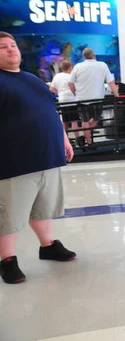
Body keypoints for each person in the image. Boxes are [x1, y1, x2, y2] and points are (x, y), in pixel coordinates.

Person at [0, 31, 76, 285]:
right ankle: (7, 260)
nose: (11, 50)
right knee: (9, 214)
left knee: (43, 207)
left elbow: (50, 111)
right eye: (3, 47)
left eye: (13, 45)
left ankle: (48, 246)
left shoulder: (32, 79)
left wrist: (63, 139)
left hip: (46, 155)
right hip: (13, 161)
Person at [68, 48, 119, 147]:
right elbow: (110, 82)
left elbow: (70, 83)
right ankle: (84, 137)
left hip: (81, 98)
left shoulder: (78, 66)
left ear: (84, 57)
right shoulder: (102, 65)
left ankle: (88, 141)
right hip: (97, 98)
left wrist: (75, 93)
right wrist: (116, 94)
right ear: (94, 55)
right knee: (97, 118)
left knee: (84, 120)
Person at [50, 60, 83, 147]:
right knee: (74, 121)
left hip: (62, 100)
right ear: (70, 67)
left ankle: (65, 140)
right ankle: (78, 139)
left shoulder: (57, 76)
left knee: (65, 121)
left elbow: (52, 89)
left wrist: (60, 92)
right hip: (72, 99)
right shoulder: (72, 76)